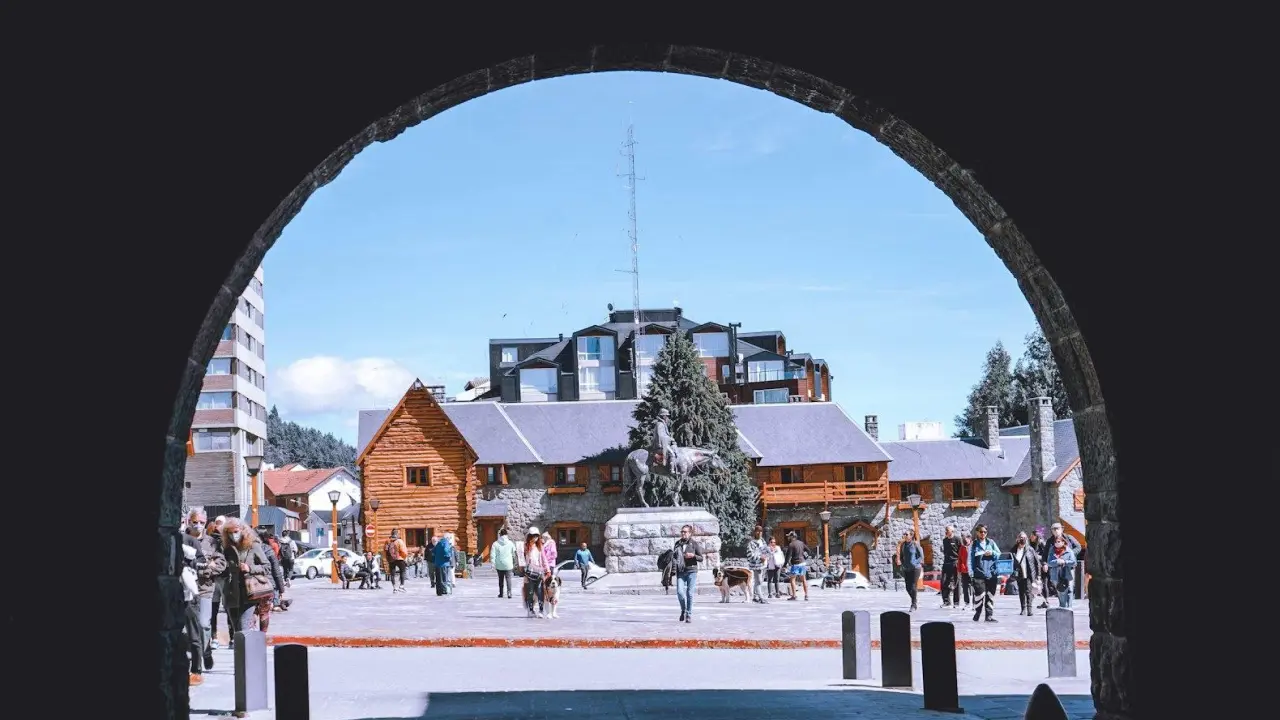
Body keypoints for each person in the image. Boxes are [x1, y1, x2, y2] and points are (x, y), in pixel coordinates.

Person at [672, 525, 703, 622]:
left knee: (689, 593)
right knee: (680, 593)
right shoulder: (677, 544)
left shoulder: (694, 544)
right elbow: (674, 557)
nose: (683, 533)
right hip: (681, 571)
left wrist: (693, 556)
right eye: (682, 531)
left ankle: (688, 614)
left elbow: (701, 558)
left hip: (691, 571)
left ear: (690, 533)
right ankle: (683, 610)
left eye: (685, 532)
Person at [970, 524, 1001, 622]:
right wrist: (971, 572)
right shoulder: (974, 544)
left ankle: (989, 616)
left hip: (991, 574)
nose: (983, 533)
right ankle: (977, 613)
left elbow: (999, 554)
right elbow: (969, 560)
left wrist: (992, 553)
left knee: (990, 595)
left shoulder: (991, 543)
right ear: (977, 532)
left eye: (985, 532)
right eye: (981, 531)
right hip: (979, 574)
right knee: (980, 594)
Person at [522, 527, 548, 618]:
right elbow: (522, 559)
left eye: (537, 536)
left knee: (540, 591)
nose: (535, 537)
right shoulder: (525, 547)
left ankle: (541, 610)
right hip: (529, 573)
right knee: (530, 592)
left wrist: (547, 570)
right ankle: (530, 609)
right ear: (529, 536)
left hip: (539, 572)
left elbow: (544, 559)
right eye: (533, 536)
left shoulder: (540, 546)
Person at [1012, 531, 1039, 616]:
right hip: (1019, 574)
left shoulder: (1030, 549)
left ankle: (1029, 609)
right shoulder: (1014, 549)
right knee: (1021, 591)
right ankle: (1023, 608)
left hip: (1028, 573)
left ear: (1026, 539)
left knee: (1028, 591)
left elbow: (1037, 562)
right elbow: (1010, 560)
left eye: (1024, 538)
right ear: (1017, 539)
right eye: (1021, 537)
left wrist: (1038, 575)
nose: (1022, 539)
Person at [1046, 536, 1078, 608]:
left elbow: (1074, 562)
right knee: (1061, 592)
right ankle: (1063, 607)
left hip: (1067, 574)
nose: (1056, 543)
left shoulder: (1069, 550)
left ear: (1063, 542)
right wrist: (1057, 561)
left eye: (1058, 542)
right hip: (1056, 575)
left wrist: (1064, 561)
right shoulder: (1052, 550)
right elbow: (1049, 562)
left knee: (1069, 590)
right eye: (1055, 542)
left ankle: (1069, 608)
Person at [897, 530, 923, 611]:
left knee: (913, 585)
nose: (905, 535)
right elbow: (901, 556)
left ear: (911, 536)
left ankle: (913, 604)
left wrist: (915, 562)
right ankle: (914, 599)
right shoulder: (903, 545)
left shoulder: (915, 544)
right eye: (904, 534)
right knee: (908, 588)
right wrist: (903, 564)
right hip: (906, 568)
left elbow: (921, 556)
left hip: (916, 568)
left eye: (906, 534)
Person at [491, 528, 517, 598]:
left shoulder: (495, 544)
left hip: (499, 564)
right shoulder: (510, 543)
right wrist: (514, 562)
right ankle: (509, 593)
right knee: (508, 579)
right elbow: (514, 553)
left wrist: (493, 564)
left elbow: (493, 555)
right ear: (506, 535)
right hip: (508, 564)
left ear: (500, 535)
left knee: (500, 579)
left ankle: (501, 593)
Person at [940, 525, 961, 608]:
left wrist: (960, 562)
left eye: (947, 530)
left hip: (955, 562)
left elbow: (961, 551)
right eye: (945, 530)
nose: (946, 531)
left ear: (952, 531)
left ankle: (956, 602)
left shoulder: (957, 539)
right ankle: (946, 601)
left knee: (956, 582)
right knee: (944, 581)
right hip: (946, 563)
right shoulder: (944, 540)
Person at [746, 525, 769, 604]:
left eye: (761, 531)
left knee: (759, 581)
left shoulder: (763, 541)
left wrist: (767, 556)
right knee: (758, 580)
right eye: (758, 531)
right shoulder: (751, 543)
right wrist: (759, 558)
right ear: (755, 532)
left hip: (764, 564)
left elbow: (767, 551)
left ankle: (755, 596)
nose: (759, 533)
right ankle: (761, 597)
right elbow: (749, 555)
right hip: (756, 565)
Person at [785, 530, 810, 601]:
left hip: (795, 564)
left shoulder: (791, 544)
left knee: (792, 579)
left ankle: (794, 595)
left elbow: (788, 556)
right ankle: (806, 595)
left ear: (792, 536)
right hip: (802, 563)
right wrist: (805, 557)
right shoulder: (801, 543)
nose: (788, 537)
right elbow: (808, 550)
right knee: (803, 579)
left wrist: (784, 564)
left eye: (789, 536)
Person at [432, 532, 454, 596]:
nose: (449, 539)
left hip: (437, 563)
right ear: (447, 538)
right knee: (444, 578)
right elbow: (446, 550)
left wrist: (438, 556)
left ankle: (439, 592)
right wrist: (448, 556)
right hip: (444, 564)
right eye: (450, 538)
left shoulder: (439, 542)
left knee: (438, 578)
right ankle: (444, 591)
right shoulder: (446, 542)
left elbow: (433, 551)